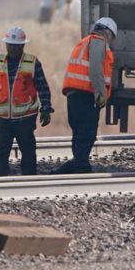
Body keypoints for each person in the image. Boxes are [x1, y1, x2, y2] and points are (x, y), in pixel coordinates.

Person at [0, 26, 53, 176]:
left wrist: (46, 108)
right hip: (4, 118)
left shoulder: (32, 62)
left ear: (23, 46)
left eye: (16, 46)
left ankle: (29, 180)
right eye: (10, 45)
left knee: (28, 152)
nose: (13, 48)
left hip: (25, 117)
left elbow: (42, 87)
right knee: (1, 153)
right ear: (6, 45)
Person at [55, 17, 117, 174]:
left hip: (74, 94)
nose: (111, 41)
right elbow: (95, 69)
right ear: (108, 32)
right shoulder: (98, 42)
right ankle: (81, 167)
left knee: (79, 134)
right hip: (86, 95)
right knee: (87, 133)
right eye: (112, 37)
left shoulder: (84, 42)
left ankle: (75, 167)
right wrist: (100, 94)